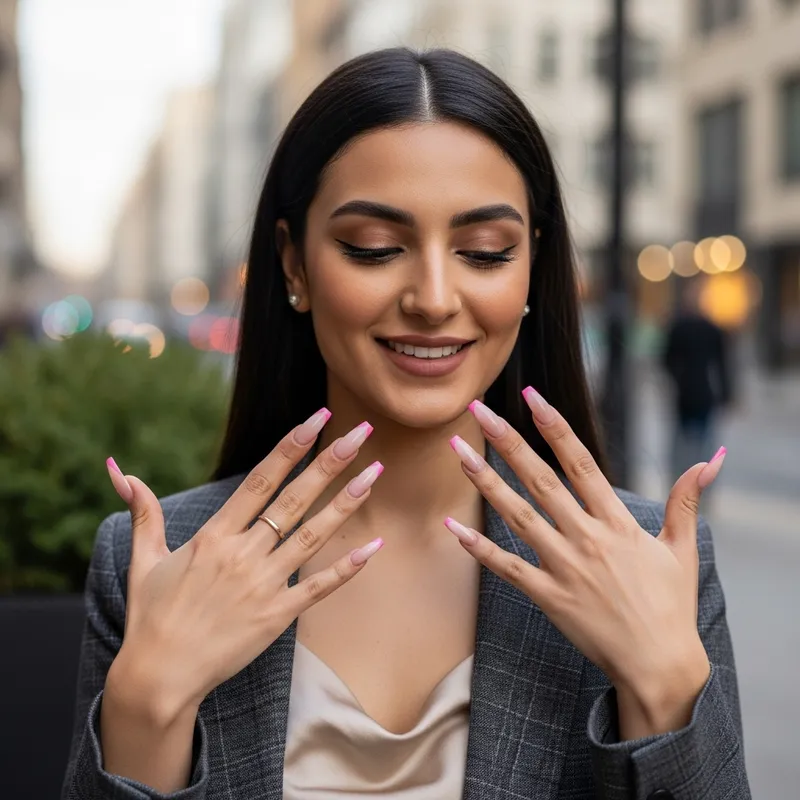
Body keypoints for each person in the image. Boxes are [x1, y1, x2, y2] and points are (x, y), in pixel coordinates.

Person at [62, 48, 750, 799]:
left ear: (531, 266)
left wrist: (663, 684)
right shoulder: (157, 564)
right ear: (293, 265)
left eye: (485, 253)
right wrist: (149, 702)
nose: (433, 297)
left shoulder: (649, 566)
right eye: (374, 248)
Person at [662, 279, 733, 483]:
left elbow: (667, 361)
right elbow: (722, 365)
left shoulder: (683, 328)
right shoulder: (702, 329)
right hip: (695, 393)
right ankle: (696, 481)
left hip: (693, 393)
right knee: (697, 444)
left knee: (690, 443)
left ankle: (687, 480)